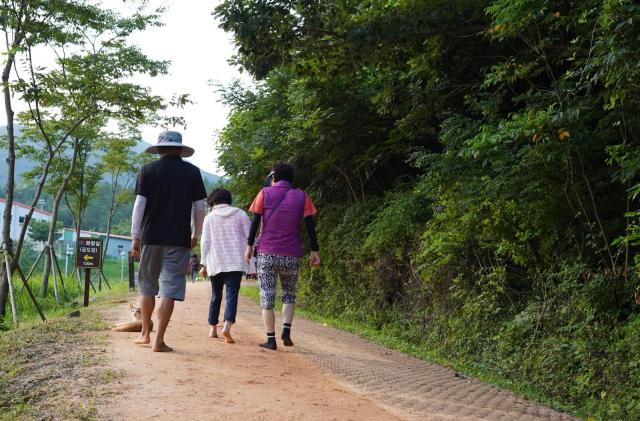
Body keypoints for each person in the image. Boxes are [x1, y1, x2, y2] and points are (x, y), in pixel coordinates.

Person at [130, 130, 207, 352]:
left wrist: (135, 236)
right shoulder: (192, 172)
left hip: (150, 237)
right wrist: (196, 234)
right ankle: (159, 341)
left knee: (147, 286)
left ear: (160, 149)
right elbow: (200, 207)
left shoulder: (147, 170)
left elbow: (139, 206)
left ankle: (145, 334)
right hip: (178, 238)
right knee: (170, 288)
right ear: (180, 149)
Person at [245, 161, 320, 350]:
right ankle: (286, 329)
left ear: (274, 177)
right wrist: (314, 251)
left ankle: (271, 339)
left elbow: (255, 222)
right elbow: (310, 226)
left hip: (267, 253)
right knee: (289, 293)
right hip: (291, 254)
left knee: (267, 295)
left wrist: (249, 246)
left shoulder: (264, 193)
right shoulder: (302, 196)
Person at [200, 188, 251, 343]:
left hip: (215, 261)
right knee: (232, 295)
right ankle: (227, 326)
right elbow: (250, 238)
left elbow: (205, 242)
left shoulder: (209, 218)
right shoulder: (241, 214)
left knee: (216, 295)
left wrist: (203, 263)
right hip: (236, 261)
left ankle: (213, 328)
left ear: (213, 202)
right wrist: (251, 258)